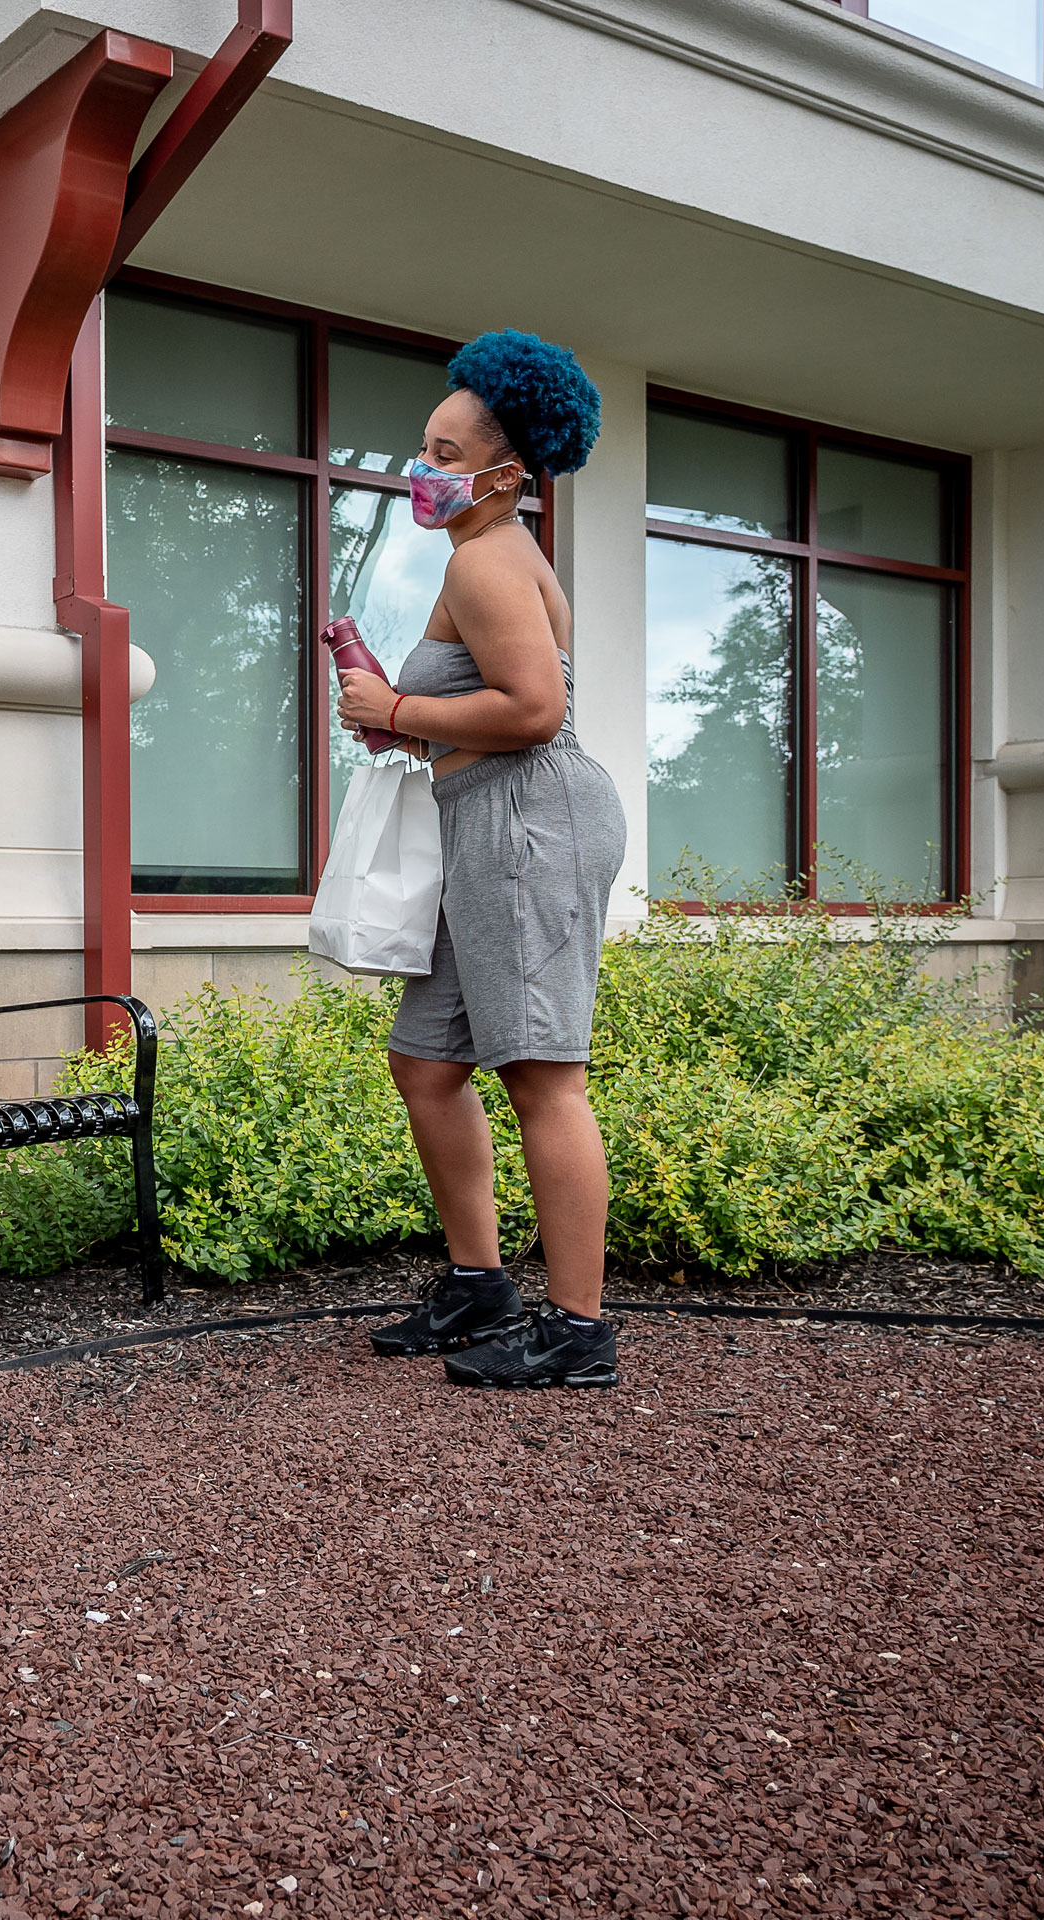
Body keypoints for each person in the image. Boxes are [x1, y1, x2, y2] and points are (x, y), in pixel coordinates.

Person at [334, 332, 627, 1390]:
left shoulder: (487, 557)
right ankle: (478, 1283)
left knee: (543, 1077)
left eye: (446, 451)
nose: (425, 466)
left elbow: (535, 713)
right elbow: (486, 707)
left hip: (525, 822)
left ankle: (578, 1332)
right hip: (482, 819)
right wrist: (402, 720)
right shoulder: (485, 557)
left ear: (505, 473)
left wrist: (400, 707)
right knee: (426, 1061)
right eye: (425, 444)